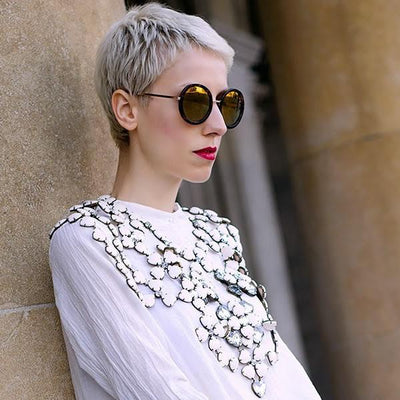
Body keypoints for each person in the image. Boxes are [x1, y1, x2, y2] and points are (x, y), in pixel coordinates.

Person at [49, 3, 321, 399]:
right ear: (127, 109)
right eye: (195, 102)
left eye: (227, 104)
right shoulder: (86, 241)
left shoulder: (217, 234)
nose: (218, 126)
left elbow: (284, 376)